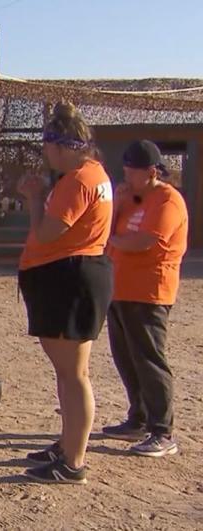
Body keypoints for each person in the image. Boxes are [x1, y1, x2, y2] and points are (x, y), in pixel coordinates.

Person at [17, 101, 113, 484]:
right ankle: (67, 444)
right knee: (70, 373)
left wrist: (34, 198)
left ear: (64, 145)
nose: (46, 155)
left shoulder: (79, 180)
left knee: (73, 375)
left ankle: (73, 461)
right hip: (70, 275)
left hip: (70, 277)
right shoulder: (91, 174)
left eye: (48, 147)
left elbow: (47, 232)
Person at [102, 140, 188, 457]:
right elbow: (110, 230)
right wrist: (118, 205)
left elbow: (145, 241)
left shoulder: (168, 200)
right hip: (120, 290)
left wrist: (111, 240)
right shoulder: (132, 199)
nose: (126, 176)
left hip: (150, 292)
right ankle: (137, 418)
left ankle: (162, 431)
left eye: (131, 172)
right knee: (126, 358)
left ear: (151, 172)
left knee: (150, 360)